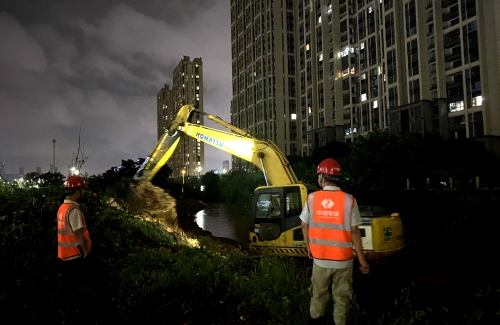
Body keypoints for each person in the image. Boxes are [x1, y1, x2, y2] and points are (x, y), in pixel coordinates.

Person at [300, 158, 369, 325]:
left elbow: (304, 224)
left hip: (320, 260)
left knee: (318, 295)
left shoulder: (312, 199)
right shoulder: (349, 200)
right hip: (343, 262)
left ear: (322, 177)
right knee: (342, 299)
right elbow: (354, 231)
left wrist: (309, 246)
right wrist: (362, 260)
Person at [57, 175, 92, 323]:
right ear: (77, 191)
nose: (82, 192)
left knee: (67, 287)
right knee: (74, 288)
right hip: (74, 256)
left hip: (63, 255)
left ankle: (65, 313)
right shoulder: (74, 210)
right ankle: (74, 316)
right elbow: (78, 234)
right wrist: (86, 251)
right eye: (81, 189)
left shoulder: (62, 208)